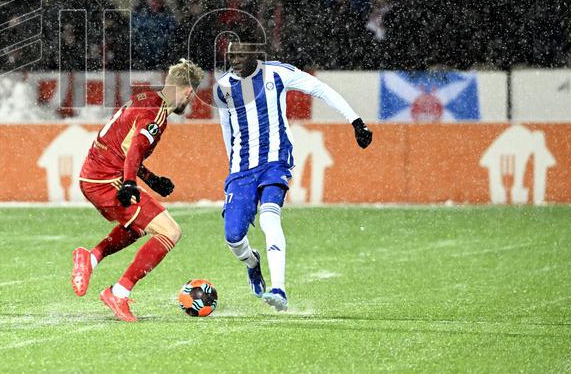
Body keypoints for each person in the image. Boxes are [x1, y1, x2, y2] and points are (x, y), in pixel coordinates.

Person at [214, 40, 373, 311]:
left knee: (269, 216)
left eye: (241, 55)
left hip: (276, 160)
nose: (235, 60)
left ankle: (279, 289)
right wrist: (232, 166)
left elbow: (320, 89)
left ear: (255, 54)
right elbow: (227, 128)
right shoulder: (223, 88)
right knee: (233, 236)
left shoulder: (277, 73)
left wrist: (355, 120)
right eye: (231, 56)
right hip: (242, 167)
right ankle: (253, 263)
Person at [71, 58, 205, 322]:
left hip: (95, 177)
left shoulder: (145, 98)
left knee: (141, 226)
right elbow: (133, 150)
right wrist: (131, 182)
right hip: (106, 180)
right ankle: (118, 293)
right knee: (170, 232)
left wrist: (150, 178)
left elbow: (126, 146)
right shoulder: (156, 113)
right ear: (188, 91)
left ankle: (91, 258)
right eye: (191, 96)